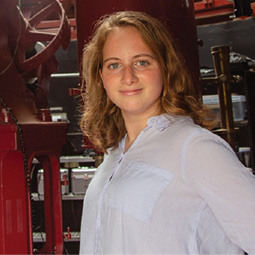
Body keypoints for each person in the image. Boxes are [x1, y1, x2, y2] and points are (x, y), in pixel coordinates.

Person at [79, 11, 255, 254]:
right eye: (114, 65)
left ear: (165, 67)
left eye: (142, 62)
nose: (128, 77)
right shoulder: (114, 155)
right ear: (102, 76)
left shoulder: (194, 148)